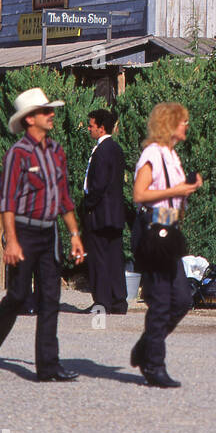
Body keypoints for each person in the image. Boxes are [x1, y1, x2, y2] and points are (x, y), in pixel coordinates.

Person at [0, 87, 85, 383]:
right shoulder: (17, 154)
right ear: (30, 119)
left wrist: (74, 234)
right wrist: (12, 240)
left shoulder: (57, 151)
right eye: (46, 111)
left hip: (49, 233)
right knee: (17, 296)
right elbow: (7, 201)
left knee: (50, 298)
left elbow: (64, 197)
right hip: (23, 230)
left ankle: (48, 366)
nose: (51, 115)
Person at [130, 102, 203, 388]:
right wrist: (178, 190)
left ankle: (146, 346)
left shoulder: (172, 156)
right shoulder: (152, 153)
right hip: (153, 230)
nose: (187, 125)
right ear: (169, 123)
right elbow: (139, 194)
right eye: (182, 121)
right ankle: (154, 365)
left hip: (169, 230)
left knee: (183, 299)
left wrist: (186, 192)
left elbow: (172, 196)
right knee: (160, 301)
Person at [83, 108, 128, 314]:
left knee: (99, 257)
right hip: (115, 213)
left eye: (91, 126)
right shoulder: (117, 149)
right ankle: (118, 300)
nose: (89, 129)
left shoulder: (102, 151)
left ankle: (102, 300)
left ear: (101, 128)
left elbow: (99, 184)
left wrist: (88, 203)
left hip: (101, 212)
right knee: (114, 257)